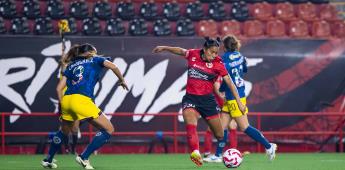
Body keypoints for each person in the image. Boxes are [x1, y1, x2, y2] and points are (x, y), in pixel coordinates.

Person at [152, 37, 246, 167]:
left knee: (219, 135)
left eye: (216, 53)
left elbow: (230, 83)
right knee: (190, 122)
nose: (214, 55)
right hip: (191, 98)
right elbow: (180, 51)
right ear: (205, 49)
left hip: (208, 101)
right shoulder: (193, 54)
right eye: (212, 52)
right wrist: (165, 48)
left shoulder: (219, 64)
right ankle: (195, 152)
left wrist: (239, 102)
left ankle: (228, 154)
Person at [41, 43, 129, 169]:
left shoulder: (71, 65)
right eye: (95, 52)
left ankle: (48, 159)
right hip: (82, 100)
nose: (96, 54)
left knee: (63, 131)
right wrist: (121, 80)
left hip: (67, 100)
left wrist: (63, 105)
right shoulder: (95, 59)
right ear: (90, 52)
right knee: (109, 129)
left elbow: (59, 88)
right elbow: (113, 66)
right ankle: (84, 157)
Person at [203, 35, 277, 163]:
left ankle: (269, 146)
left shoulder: (223, 60)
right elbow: (244, 70)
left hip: (234, 96)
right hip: (235, 93)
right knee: (222, 127)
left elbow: (227, 79)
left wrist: (220, 90)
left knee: (245, 127)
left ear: (224, 47)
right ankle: (218, 155)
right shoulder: (240, 56)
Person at [203, 77, 238, 158]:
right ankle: (207, 152)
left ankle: (233, 152)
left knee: (232, 126)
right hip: (216, 104)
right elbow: (217, 89)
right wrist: (225, 98)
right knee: (211, 128)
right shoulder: (218, 73)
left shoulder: (228, 72)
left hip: (227, 103)